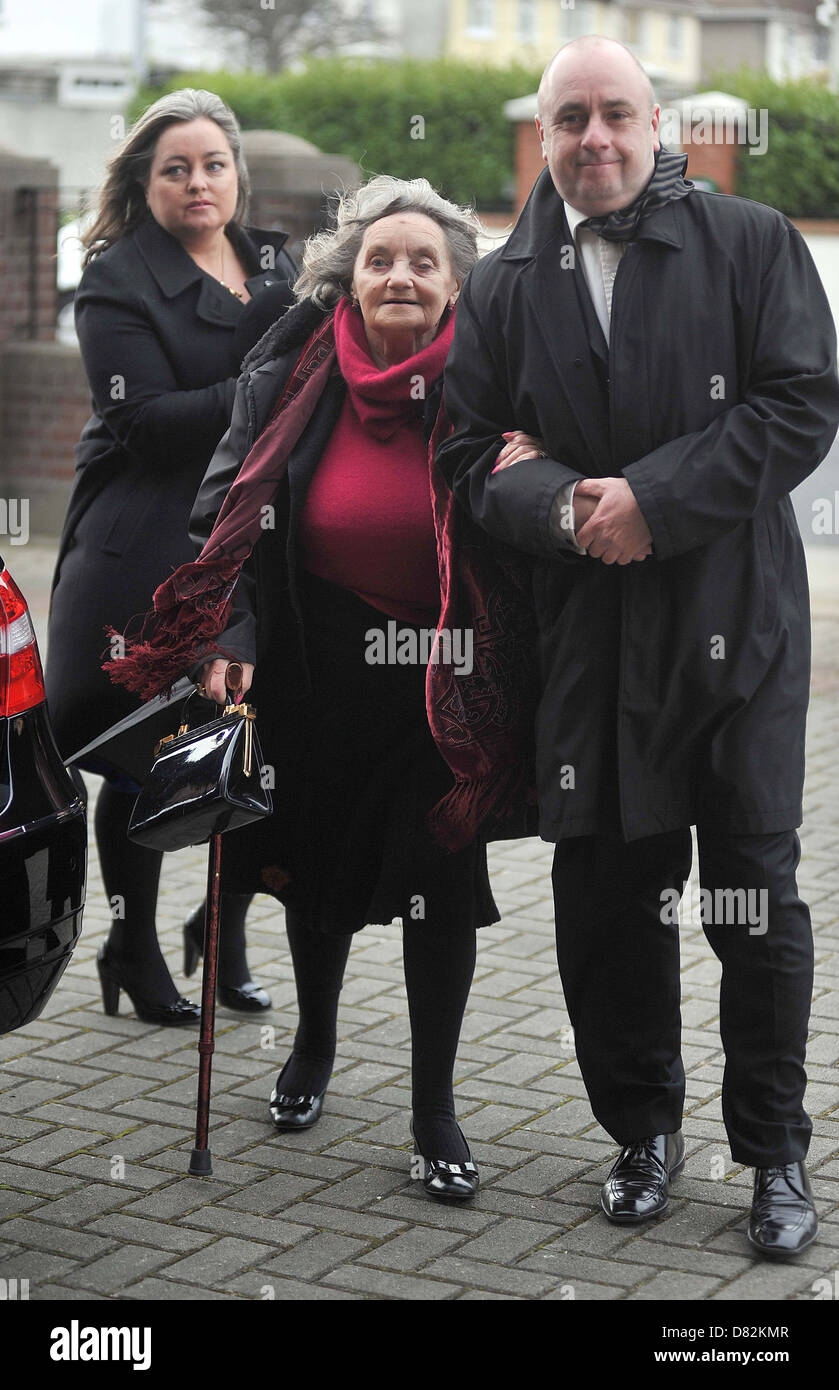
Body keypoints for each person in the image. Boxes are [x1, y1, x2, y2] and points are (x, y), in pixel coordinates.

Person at [436, 36, 839, 1255]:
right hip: (589, 640)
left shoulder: (750, 242)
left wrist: (649, 502)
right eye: (570, 118)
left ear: (656, 125)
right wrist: (563, 505)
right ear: (543, 135)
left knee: (750, 899)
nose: (594, 137)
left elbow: (799, 403)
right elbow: (466, 456)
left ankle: (772, 1154)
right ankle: (639, 1132)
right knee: (608, 900)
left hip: (735, 630)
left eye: (616, 113)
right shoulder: (504, 282)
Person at [107, 175, 517, 1202]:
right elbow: (224, 513)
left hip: (440, 675)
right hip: (312, 662)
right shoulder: (289, 372)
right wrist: (229, 630)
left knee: (438, 890)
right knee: (312, 868)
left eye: (423, 261)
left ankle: (434, 1109)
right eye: (379, 259)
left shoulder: (493, 382)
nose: (399, 275)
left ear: (456, 284)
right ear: (348, 277)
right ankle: (313, 1047)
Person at [47, 88, 297, 1024]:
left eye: (213, 165)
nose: (198, 182)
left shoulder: (274, 261)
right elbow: (145, 422)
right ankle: (132, 943)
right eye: (176, 168)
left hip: (257, 536)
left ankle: (221, 933)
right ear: (144, 184)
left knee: (250, 735)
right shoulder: (116, 280)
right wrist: (272, 388)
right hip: (144, 537)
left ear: (237, 174)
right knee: (147, 744)